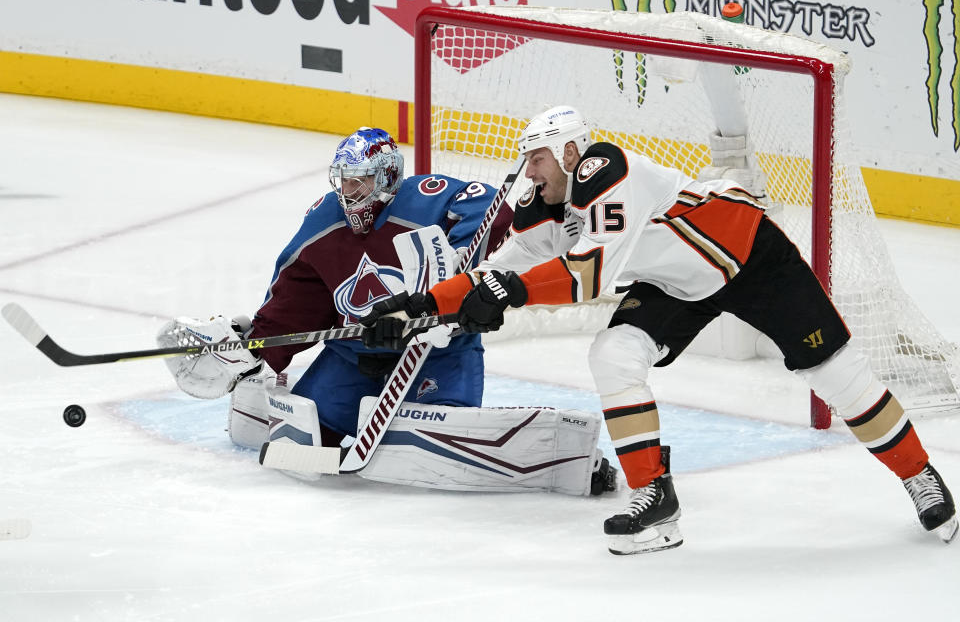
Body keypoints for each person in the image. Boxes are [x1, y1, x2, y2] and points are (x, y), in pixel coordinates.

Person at [362, 106, 958, 553]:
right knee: (614, 355)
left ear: (569, 152)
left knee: (838, 377)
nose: (528, 170)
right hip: (676, 283)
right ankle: (655, 501)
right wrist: (415, 307)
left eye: (537, 157)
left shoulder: (606, 168)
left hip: (750, 256)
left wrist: (509, 292)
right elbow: (497, 272)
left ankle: (920, 476)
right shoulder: (546, 207)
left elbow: (589, 272)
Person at [157, 126, 617, 497]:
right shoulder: (324, 222)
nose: (351, 191)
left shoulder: (431, 197)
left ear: (389, 178)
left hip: (439, 353)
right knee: (312, 440)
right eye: (345, 180)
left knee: (440, 437)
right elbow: (299, 298)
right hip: (352, 358)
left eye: (363, 180)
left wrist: (455, 269)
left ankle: (567, 463)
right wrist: (257, 347)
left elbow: (494, 212)